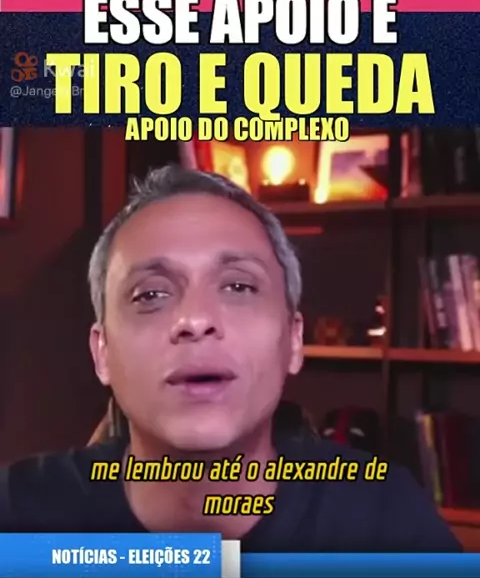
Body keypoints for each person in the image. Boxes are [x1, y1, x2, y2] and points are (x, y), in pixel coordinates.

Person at [0, 165, 460, 551]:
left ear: (293, 340)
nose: (195, 319)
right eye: (151, 295)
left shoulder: (387, 523)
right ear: (102, 353)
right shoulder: (19, 519)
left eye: (239, 286)